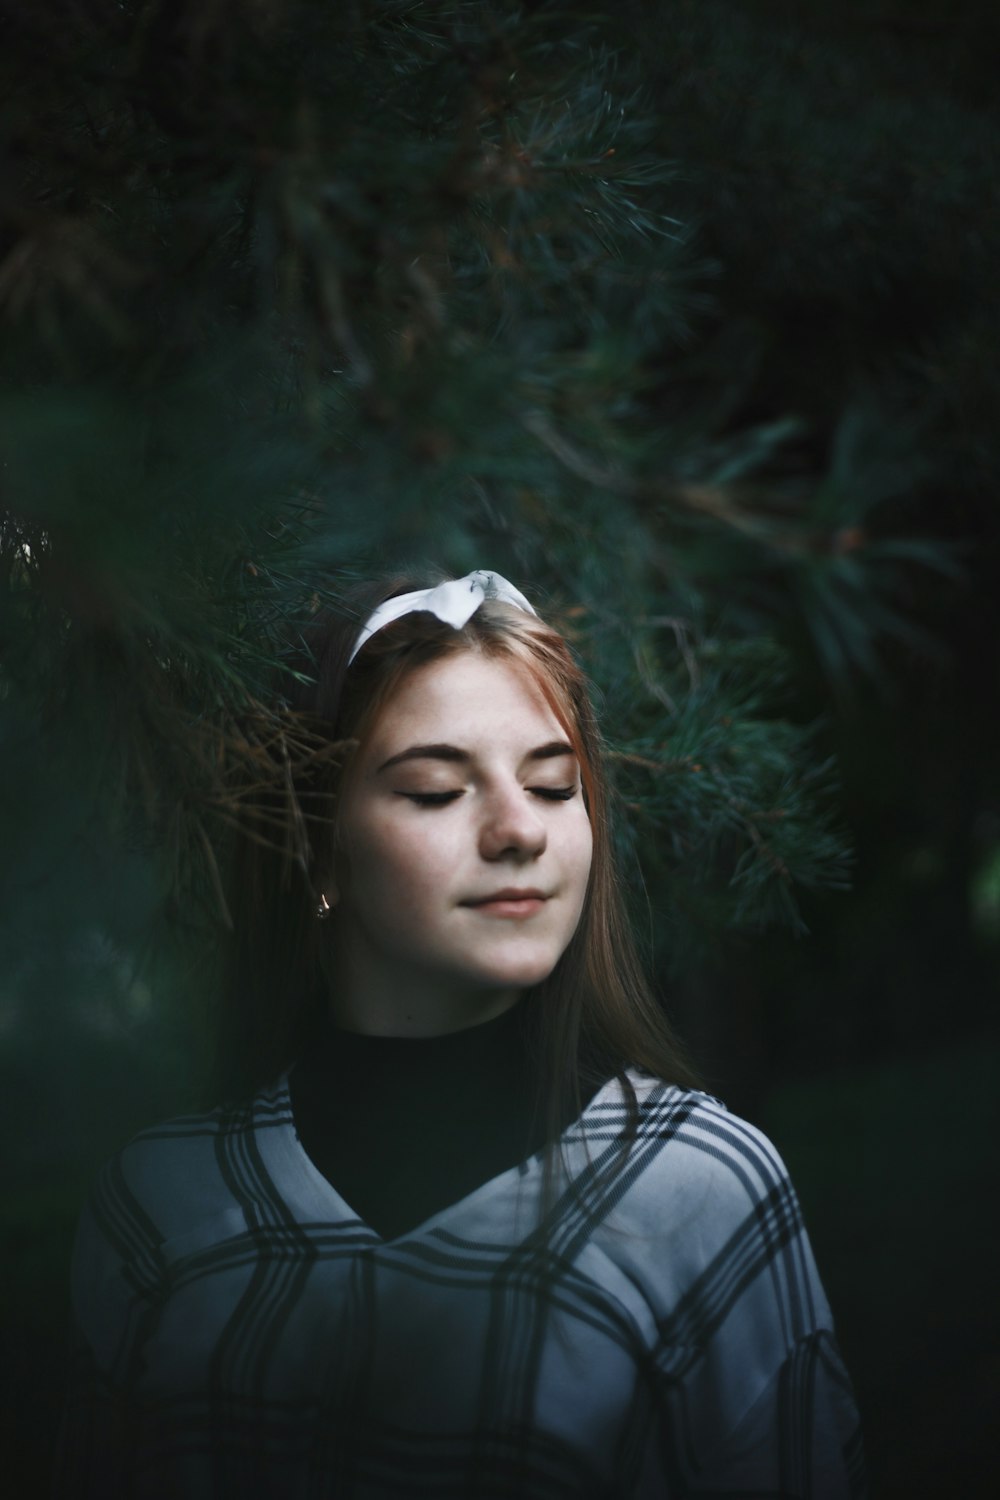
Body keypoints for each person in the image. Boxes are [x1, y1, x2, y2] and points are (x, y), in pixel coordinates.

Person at [57, 569, 867, 1498]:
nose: (519, 829)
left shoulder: (704, 1190)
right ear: (317, 847)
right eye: (439, 791)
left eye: (555, 786)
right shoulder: (157, 1207)